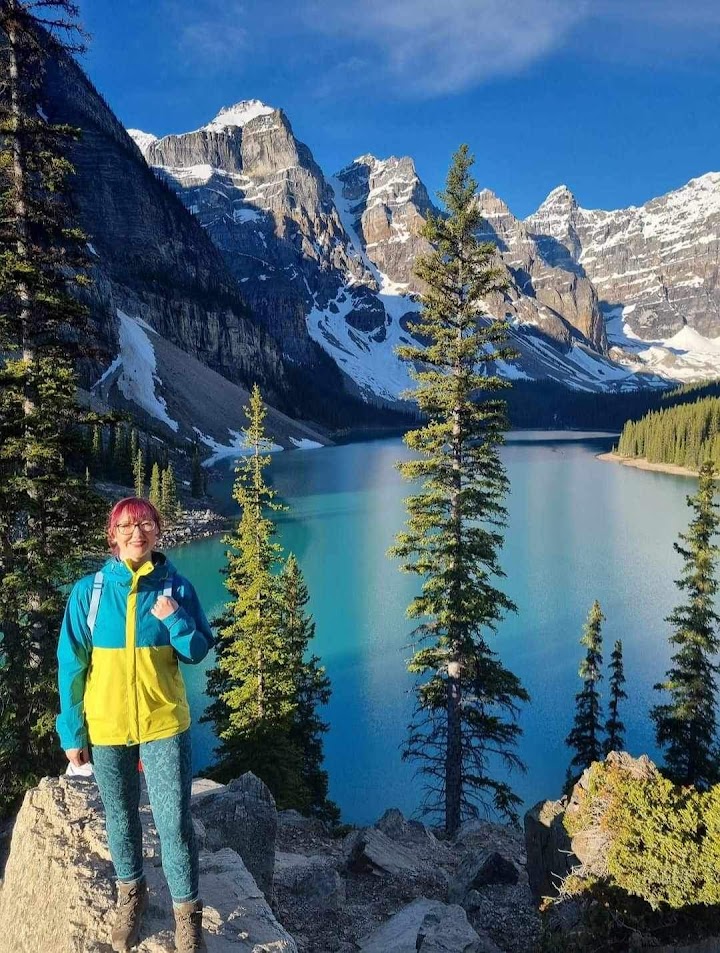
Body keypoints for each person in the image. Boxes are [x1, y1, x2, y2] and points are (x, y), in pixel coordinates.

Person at [56, 496, 215, 953]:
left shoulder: (176, 587)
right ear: (113, 535)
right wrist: (73, 731)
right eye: (126, 526)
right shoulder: (89, 593)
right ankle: (132, 894)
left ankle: (187, 916)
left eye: (145, 523)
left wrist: (175, 619)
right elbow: (71, 665)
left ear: (157, 531)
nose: (136, 533)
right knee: (121, 816)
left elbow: (197, 650)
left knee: (174, 822)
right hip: (108, 727)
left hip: (164, 724)